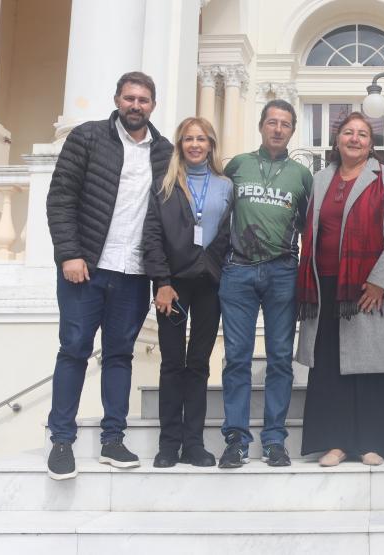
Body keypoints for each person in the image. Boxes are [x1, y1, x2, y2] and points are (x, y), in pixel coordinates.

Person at [45, 71, 173, 480]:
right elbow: (60, 198)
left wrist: (160, 276)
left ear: (153, 105)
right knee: (74, 349)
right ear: (117, 99)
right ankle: (61, 441)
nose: (136, 105)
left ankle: (112, 440)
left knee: (120, 356)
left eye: (144, 99)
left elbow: (166, 219)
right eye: (130, 97)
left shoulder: (164, 153)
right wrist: (70, 254)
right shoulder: (87, 137)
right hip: (86, 269)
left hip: (133, 274)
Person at [296, 112, 384, 466]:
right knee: (330, 368)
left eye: (362, 134)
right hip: (325, 286)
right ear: (337, 140)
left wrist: (379, 281)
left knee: (372, 367)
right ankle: (336, 443)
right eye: (348, 133)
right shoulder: (320, 179)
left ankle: (373, 442)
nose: (355, 139)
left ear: (371, 143)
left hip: (368, 286)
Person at [217, 99, 313, 468]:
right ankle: (236, 440)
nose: (277, 129)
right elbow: (219, 215)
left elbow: (309, 228)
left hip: (282, 273)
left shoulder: (301, 176)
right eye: (271, 122)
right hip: (238, 273)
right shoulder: (237, 166)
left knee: (280, 360)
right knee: (237, 359)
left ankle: (274, 440)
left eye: (285, 124)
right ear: (261, 126)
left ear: (291, 131)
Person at [142, 117, 233, 468]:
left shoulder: (226, 186)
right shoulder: (164, 186)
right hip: (173, 286)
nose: (195, 145)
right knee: (171, 364)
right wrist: (161, 282)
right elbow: (152, 236)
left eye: (202, 139)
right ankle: (169, 444)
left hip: (211, 284)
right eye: (188, 139)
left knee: (198, 364)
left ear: (211, 144)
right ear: (180, 145)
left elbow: (229, 236)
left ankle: (194, 443)